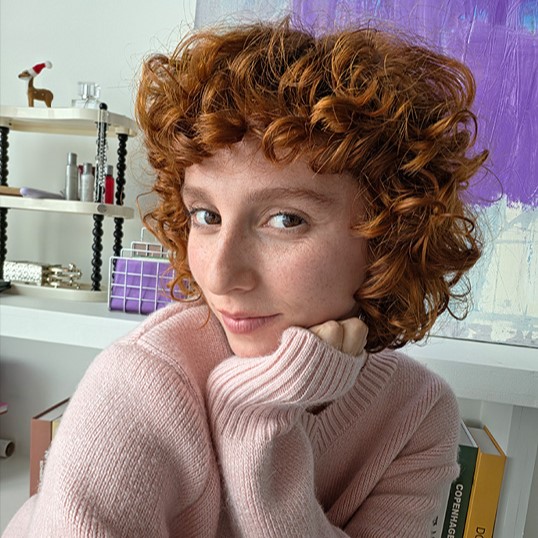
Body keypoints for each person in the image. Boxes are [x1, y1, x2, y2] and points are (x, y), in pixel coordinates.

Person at [4, 17, 488, 538]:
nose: (219, 274)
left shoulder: (418, 414)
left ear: (390, 232)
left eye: (286, 220)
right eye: (206, 216)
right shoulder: (140, 384)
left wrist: (258, 424)